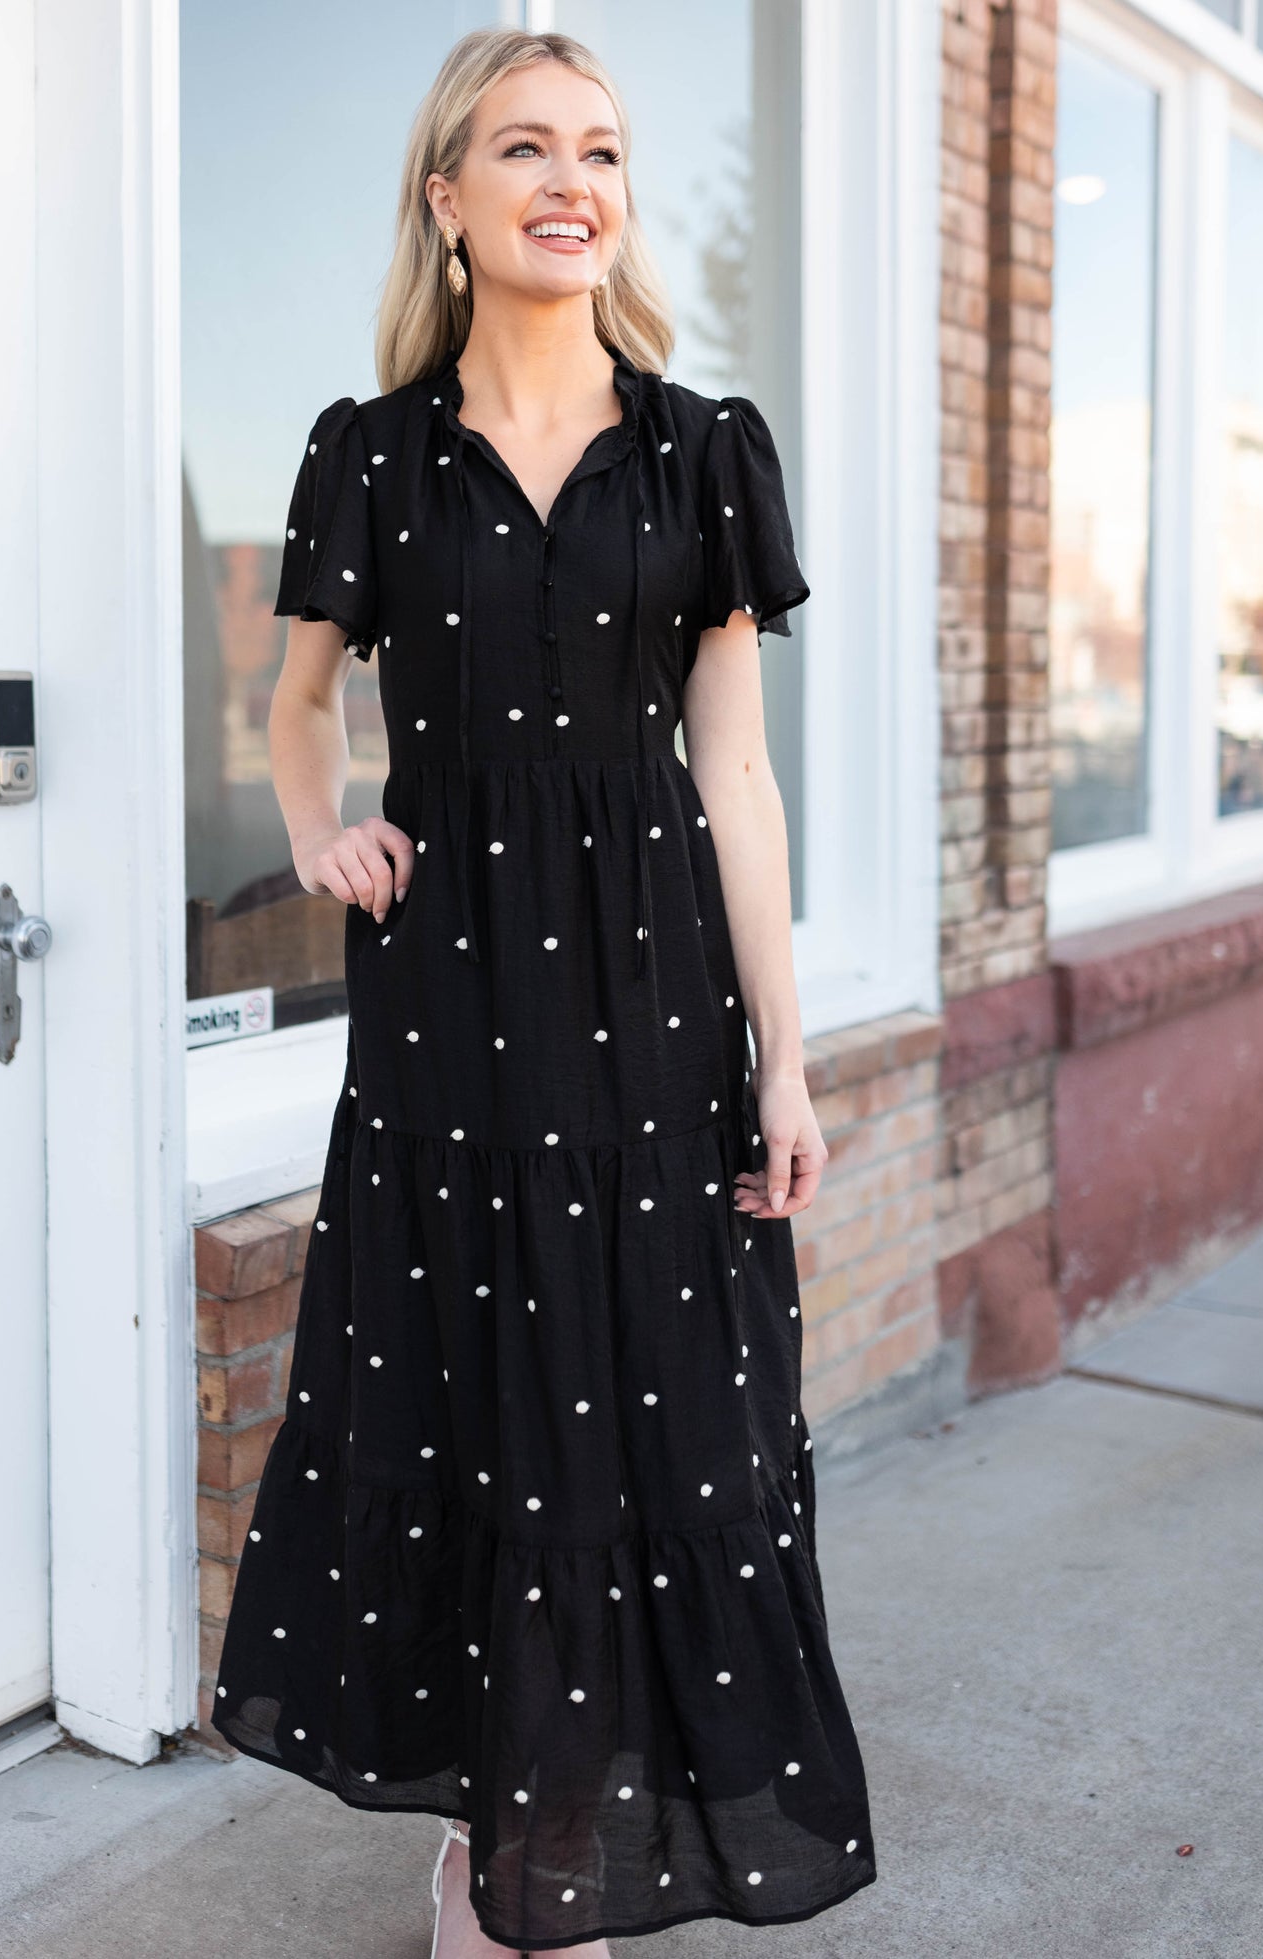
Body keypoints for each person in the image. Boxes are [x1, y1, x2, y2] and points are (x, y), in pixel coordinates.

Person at [211, 25, 875, 1957]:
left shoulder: (703, 449)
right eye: (524, 148)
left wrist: (790, 1062)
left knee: (658, 1418)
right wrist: (324, 826)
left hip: (656, 997)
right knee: (474, 1410)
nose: (571, 179)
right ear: (449, 197)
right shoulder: (372, 454)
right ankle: (497, 1843)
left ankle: (554, 1851)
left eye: (600, 149)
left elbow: (735, 775)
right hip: (452, 1005)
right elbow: (300, 704)